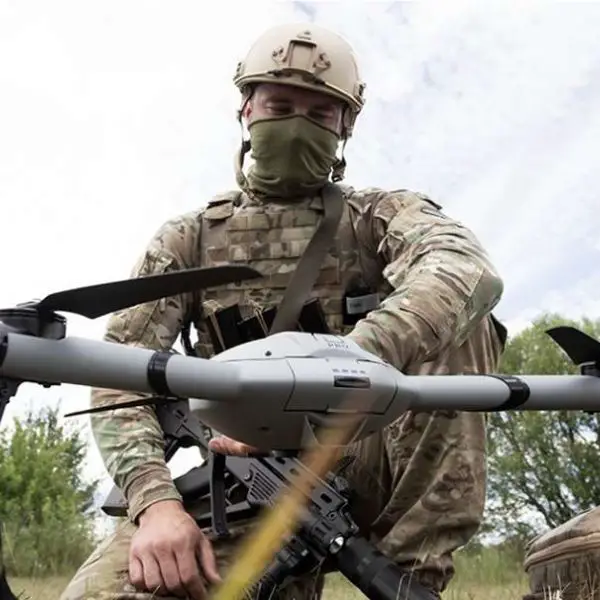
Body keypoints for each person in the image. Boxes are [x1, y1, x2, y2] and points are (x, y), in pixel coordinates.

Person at [60, 22, 507, 600]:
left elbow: (466, 269)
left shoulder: (379, 217)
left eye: (320, 113)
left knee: (460, 319)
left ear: (345, 126)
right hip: (243, 480)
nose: (298, 124)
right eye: (280, 106)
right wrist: (156, 505)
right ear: (246, 109)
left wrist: (348, 362)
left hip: (369, 460)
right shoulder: (188, 240)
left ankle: (414, 580)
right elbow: (118, 374)